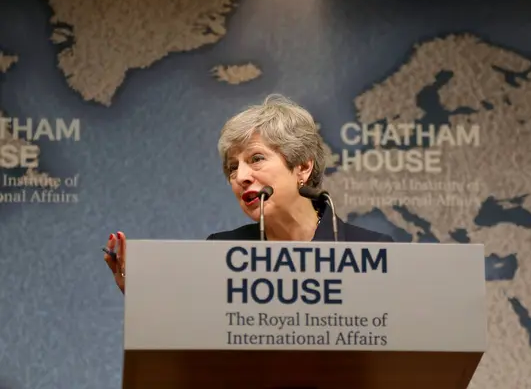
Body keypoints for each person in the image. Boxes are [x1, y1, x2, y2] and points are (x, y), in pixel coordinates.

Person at [103, 94, 394, 293]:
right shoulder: (222, 252)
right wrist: (143, 298)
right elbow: (195, 342)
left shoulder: (370, 250)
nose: (240, 176)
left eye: (255, 159)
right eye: (232, 167)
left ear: (303, 167)